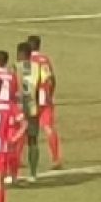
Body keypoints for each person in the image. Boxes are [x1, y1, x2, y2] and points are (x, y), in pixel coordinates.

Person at [27, 35, 62, 169]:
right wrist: (50, 95)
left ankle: (18, 160)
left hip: (32, 98)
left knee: (24, 128)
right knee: (48, 127)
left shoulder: (27, 61)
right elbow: (52, 79)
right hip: (44, 97)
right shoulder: (44, 59)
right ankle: (56, 159)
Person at [15, 42, 45, 183]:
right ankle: (33, 173)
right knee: (33, 140)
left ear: (20, 54)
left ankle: (11, 173)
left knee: (13, 140)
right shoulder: (38, 68)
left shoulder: (15, 67)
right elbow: (44, 86)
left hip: (18, 108)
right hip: (33, 107)